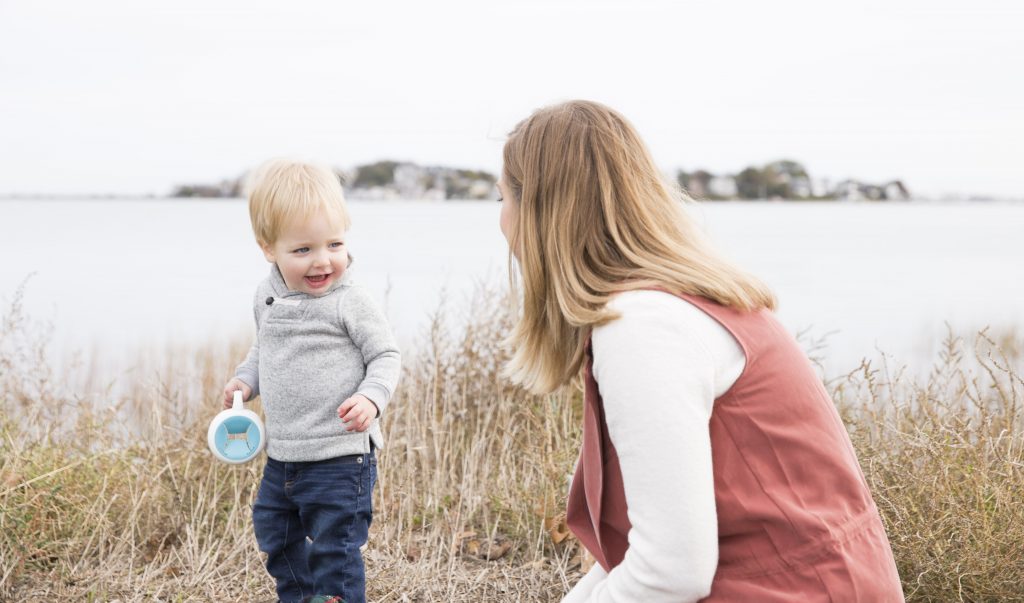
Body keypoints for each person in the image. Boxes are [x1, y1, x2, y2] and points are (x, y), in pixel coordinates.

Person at [496, 100, 904, 602]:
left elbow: (669, 570)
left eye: (502, 200)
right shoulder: (685, 302)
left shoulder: (643, 326)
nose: (502, 222)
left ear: (541, 209)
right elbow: (652, 556)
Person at [221, 158, 401, 603]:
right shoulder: (267, 296)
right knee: (275, 536)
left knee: (334, 554)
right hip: (282, 456)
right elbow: (265, 349)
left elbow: (385, 355)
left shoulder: (349, 301)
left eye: (334, 244)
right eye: (303, 250)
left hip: (340, 457)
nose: (323, 261)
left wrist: (371, 398)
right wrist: (246, 381)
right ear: (268, 248)